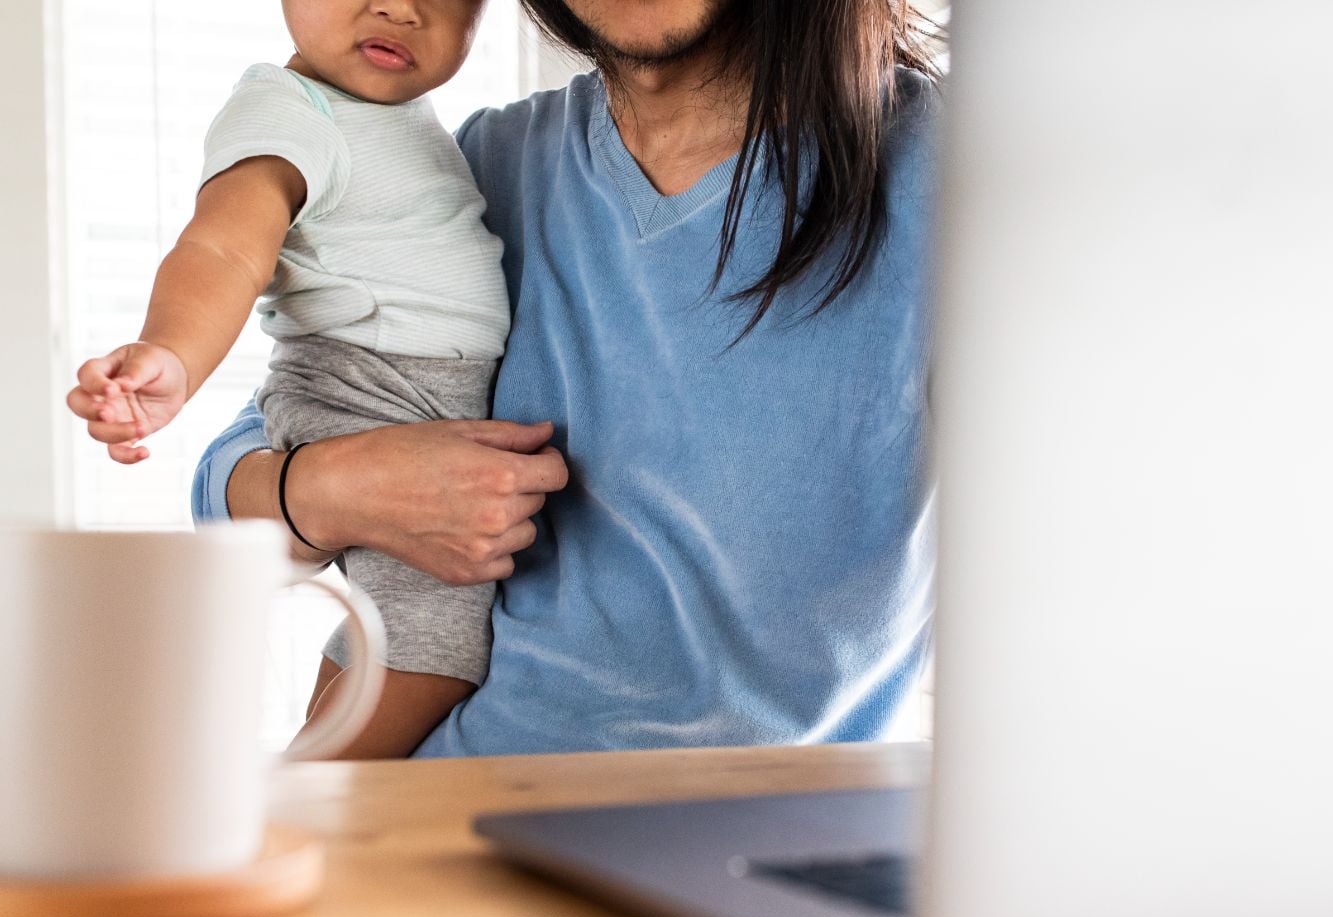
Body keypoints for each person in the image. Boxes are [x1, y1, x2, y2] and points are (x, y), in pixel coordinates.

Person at [194, 0, 943, 759]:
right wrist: (342, 489)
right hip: (403, 796)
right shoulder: (479, 166)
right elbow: (231, 489)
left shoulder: (951, 174)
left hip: (725, 823)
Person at [66, 0, 520, 726]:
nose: (400, 7)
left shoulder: (396, 115)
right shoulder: (291, 113)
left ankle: (307, 764)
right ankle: (311, 789)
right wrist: (173, 353)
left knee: (397, 623)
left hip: (406, 389)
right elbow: (222, 248)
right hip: (368, 388)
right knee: (438, 641)